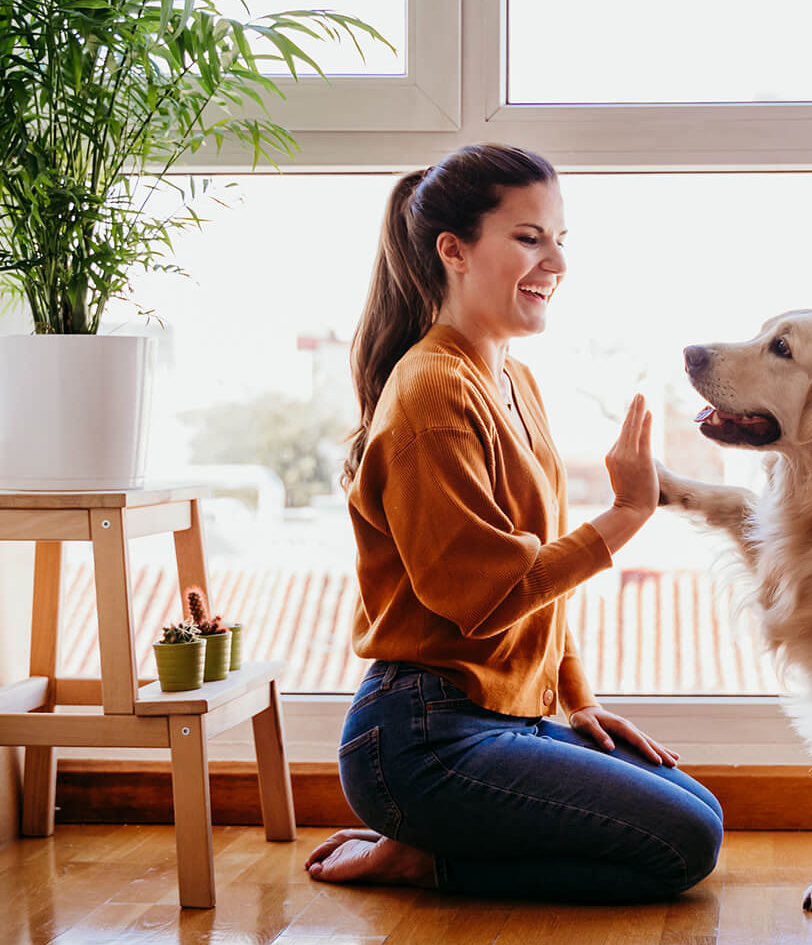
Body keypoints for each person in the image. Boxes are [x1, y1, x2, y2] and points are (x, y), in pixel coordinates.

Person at [305, 143, 724, 902]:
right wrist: (629, 512)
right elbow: (487, 597)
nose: (555, 262)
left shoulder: (511, 377)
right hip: (419, 737)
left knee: (701, 811)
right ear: (454, 251)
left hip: (504, 716)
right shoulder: (431, 394)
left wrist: (577, 698)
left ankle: (432, 847)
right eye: (530, 238)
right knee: (684, 845)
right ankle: (421, 858)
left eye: (561, 240)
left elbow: (537, 587)